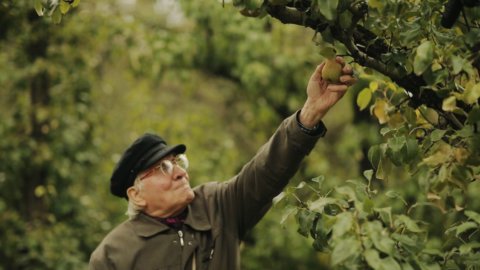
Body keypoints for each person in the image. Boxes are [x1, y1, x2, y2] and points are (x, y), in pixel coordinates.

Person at [89, 57, 356, 270]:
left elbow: (266, 171)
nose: (181, 172)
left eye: (177, 162)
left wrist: (311, 111)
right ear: (136, 194)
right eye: (164, 168)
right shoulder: (113, 255)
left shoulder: (217, 206)